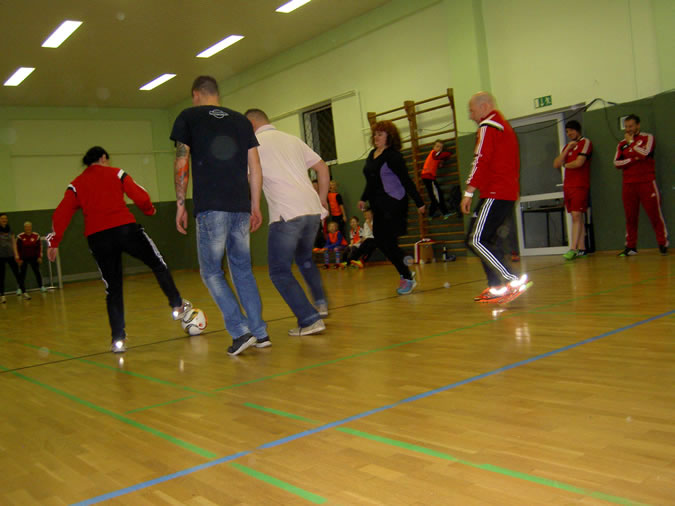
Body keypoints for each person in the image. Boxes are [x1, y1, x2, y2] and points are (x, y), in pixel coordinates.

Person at [46, 147, 191, 353]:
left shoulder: (76, 185)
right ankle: (177, 304)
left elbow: (61, 213)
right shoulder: (116, 173)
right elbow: (140, 195)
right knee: (157, 263)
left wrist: (54, 242)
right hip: (125, 230)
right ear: (103, 158)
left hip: (98, 238)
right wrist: (149, 210)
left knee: (113, 288)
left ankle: (118, 340)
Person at [171, 76, 267, 355]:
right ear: (216, 93)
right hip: (240, 206)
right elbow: (255, 166)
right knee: (242, 270)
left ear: (196, 94)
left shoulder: (188, 117)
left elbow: (181, 161)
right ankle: (260, 333)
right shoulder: (241, 121)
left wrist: (180, 204)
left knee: (211, 272)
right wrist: (255, 204)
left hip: (211, 206)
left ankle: (240, 331)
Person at [245, 108, 329, 337]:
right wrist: (321, 199)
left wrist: (253, 207)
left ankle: (309, 319)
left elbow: (252, 177)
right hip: (312, 211)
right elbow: (322, 168)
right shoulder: (293, 139)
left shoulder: (253, 145)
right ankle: (320, 303)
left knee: (279, 271)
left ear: (251, 124)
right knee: (304, 259)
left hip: (287, 213)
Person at [461, 92, 530, 304]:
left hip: (495, 193)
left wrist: (468, 192)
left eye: (472, 111)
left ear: (485, 107)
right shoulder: (504, 127)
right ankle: (496, 286)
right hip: (503, 193)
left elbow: (480, 160)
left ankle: (512, 280)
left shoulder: (488, 126)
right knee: (484, 239)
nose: (471, 116)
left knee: (476, 239)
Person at [358, 120, 425, 295]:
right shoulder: (372, 154)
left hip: (394, 204)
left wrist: (419, 202)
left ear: (389, 136)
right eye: (375, 134)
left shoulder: (394, 156)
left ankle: (407, 276)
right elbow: (371, 181)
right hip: (378, 204)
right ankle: (406, 273)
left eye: (380, 134)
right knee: (382, 241)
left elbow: (406, 180)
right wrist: (363, 198)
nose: (376, 137)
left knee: (387, 240)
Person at [613, 114, 668, 256]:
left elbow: (646, 153)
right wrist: (634, 159)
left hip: (646, 182)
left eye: (631, 126)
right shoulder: (621, 144)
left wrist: (632, 144)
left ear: (638, 125)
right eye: (626, 126)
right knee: (630, 217)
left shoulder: (648, 138)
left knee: (654, 214)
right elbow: (617, 163)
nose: (628, 129)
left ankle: (662, 243)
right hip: (628, 184)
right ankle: (631, 247)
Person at [553, 120, 592, 260]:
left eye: (571, 130)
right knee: (576, 216)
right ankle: (582, 248)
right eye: (567, 131)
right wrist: (567, 150)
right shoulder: (567, 147)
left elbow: (579, 163)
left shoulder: (585, 142)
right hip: (568, 186)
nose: (569, 133)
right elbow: (556, 163)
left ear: (578, 130)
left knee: (576, 215)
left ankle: (573, 248)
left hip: (579, 185)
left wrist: (565, 165)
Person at [421, 140, 453, 219]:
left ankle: (431, 214)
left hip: (429, 177)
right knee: (438, 196)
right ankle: (444, 213)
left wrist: (442, 162)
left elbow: (439, 164)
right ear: (433, 147)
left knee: (435, 196)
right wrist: (449, 153)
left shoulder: (437, 156)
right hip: (428, 177)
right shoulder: (434, 153)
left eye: (441, 147)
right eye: (437, 146)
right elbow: (440, 156)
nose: (439, 148)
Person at [0, 213, 26, 302]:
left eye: (5, 218)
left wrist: (16, 254)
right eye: (2, 218)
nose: (4, 220)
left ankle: (24, 292)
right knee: (1, 276)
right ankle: (2, 295)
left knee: (17, 274)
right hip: (1, 256)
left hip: (10, 255)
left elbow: (13, 242)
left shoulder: (10, 229)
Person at [17, 221, 46, 293]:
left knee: (37, 272)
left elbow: (39, 247)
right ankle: (20, 288)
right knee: (22, 274)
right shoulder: (20, 236)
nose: (28, 228)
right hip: (23, 258)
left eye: (29, 227)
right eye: (26, 227)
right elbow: (18, 248)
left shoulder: (36, 236)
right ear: (24, 228)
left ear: (31, 227)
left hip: (34, 257)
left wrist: (39, 257)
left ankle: (41, 286)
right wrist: (19, 259)